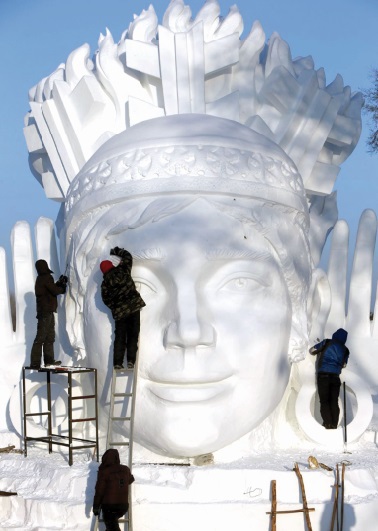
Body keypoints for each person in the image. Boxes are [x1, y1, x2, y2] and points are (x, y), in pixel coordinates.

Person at [100, 247, 145, 370]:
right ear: (112, 266)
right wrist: (116, 251)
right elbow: (128, 257)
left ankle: (118, 363)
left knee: (120, 336)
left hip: (120, 313)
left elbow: (106, 300)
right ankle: (130, 360)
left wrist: (116, 306)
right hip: (133, 307)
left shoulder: (105, 285)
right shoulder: (122, 270)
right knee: (133, 334)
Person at [29, 259, 68, 369]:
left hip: (45, 311)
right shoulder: (46, 277)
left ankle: (48, 361)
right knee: (42, 337)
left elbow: (50, 289)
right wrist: (62, 287)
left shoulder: (41, 278)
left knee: (49, 337)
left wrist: (59, 284)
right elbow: (55, 291)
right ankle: (36, 362)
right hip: (46, 311)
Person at [309, 328, 350, 429]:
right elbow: (344, 364)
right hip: (335, 378)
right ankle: (334, 424)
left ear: (335, 335)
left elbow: (312, 351)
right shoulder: (346, 350)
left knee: (324, 401)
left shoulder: (327, 342)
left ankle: (328, 423)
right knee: (333, 401)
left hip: (323, 376)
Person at [92, 448, 135, 531]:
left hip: (109, 508)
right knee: (111, 527)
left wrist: (96, 507)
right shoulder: (125, 469)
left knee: (112, 526)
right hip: (123, 507)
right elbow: (131, 480)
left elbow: (99, 491)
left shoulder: (104, 472)